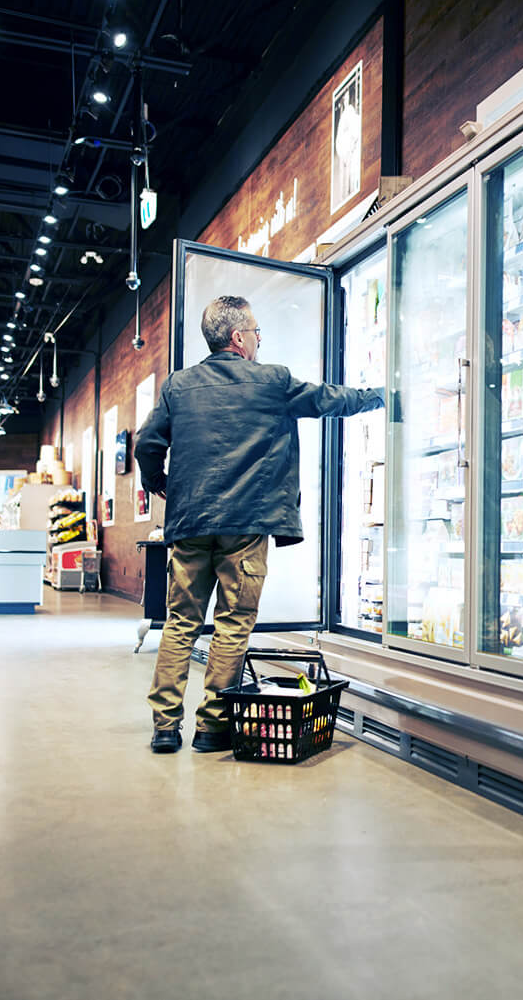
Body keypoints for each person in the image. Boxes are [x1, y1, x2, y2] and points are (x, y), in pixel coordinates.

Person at [135, 294, 384, 754]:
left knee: (180, 623)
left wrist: (160, 483)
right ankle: (212, 728)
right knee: (233, 624)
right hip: (246, 526)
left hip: (190, 523)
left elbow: (147, 443)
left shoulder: (177, 386)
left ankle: (165, 727)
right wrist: (382, 397)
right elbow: (332, 400)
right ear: (238, 337)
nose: (259, 339)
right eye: (256, 332)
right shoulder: (273, 381)